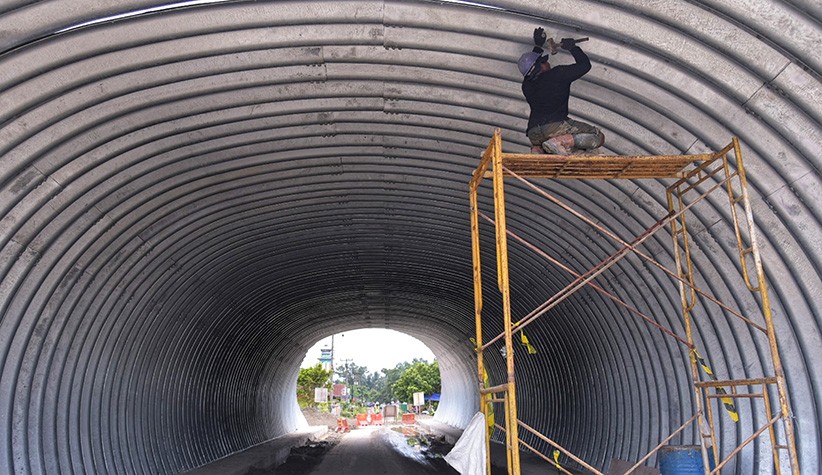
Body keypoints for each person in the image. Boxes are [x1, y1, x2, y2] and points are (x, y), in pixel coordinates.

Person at [518, 28, 605, 155]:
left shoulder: (527, 85)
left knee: (569, 150)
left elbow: (529, 69)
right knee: (597, 136)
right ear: (540, 67)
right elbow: (585, 65)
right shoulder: (557, 74)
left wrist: (538, 45)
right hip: (554, 127)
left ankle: (537, 150)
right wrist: (573, 48)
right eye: (544, 62)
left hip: (533, 134)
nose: (548, 63)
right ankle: (558, 142)